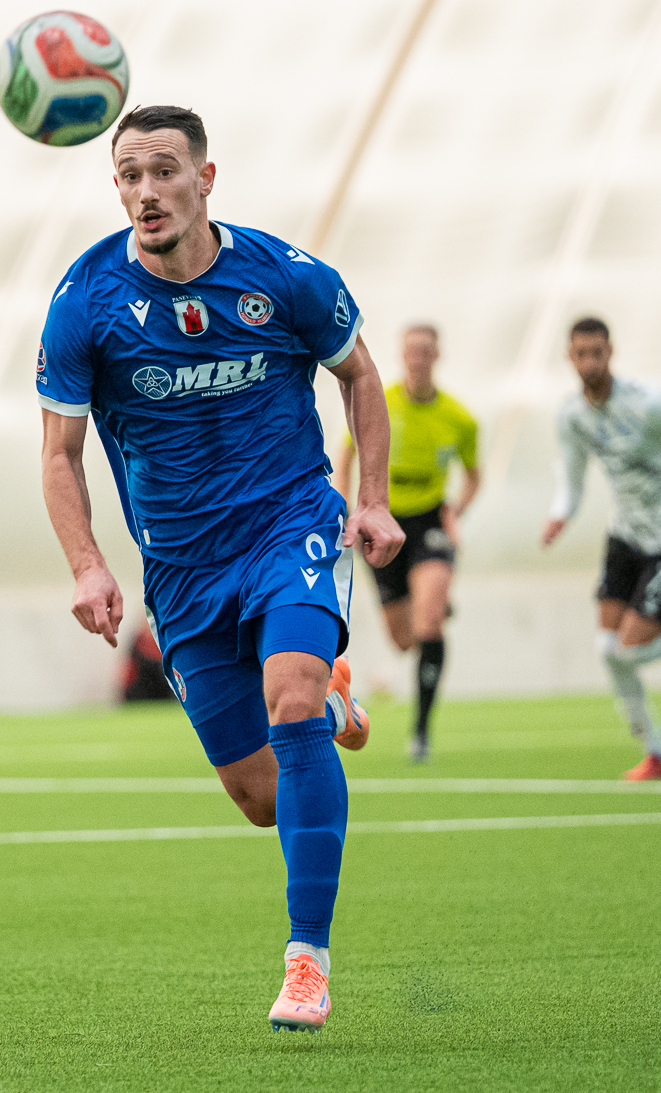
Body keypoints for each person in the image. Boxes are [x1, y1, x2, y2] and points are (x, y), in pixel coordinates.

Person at [36, 106, 403, 1032]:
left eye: (164, 170)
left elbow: (361, 375)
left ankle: (307, 961)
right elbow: (59, 454)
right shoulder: (85, 302)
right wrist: (88, 565)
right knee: (258, 798)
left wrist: (370, 499)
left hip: (291, 528)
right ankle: (333, 707)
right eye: (129, 175)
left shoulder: (286, 277)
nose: (146, 191)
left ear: (205, 178)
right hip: (182, 569)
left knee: (289, 697)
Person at [541, 316, 661, 781]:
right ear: (569, 357)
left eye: (596, 353)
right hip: (624, 536)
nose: (589, 362)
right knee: (608, 650)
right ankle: (656, 756)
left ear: (611, 352)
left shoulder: (649, 405)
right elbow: (573, 477)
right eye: (580, 354)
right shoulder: (571, 415)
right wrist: (561, 513)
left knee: (627, 651)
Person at [334, 324, 479, 762]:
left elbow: (474, 475)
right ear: (402, 355)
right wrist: (348, 508)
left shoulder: (459, 417)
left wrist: (456, 510)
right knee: (403, 639)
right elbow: (347, 454)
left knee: (428, 624)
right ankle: (429, 605)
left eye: (426, 351)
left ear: (437, 356)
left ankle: (421, 732)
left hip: (429, 521)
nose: (419, 359)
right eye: (412, 351)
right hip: (383, 521)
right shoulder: (382, 401)